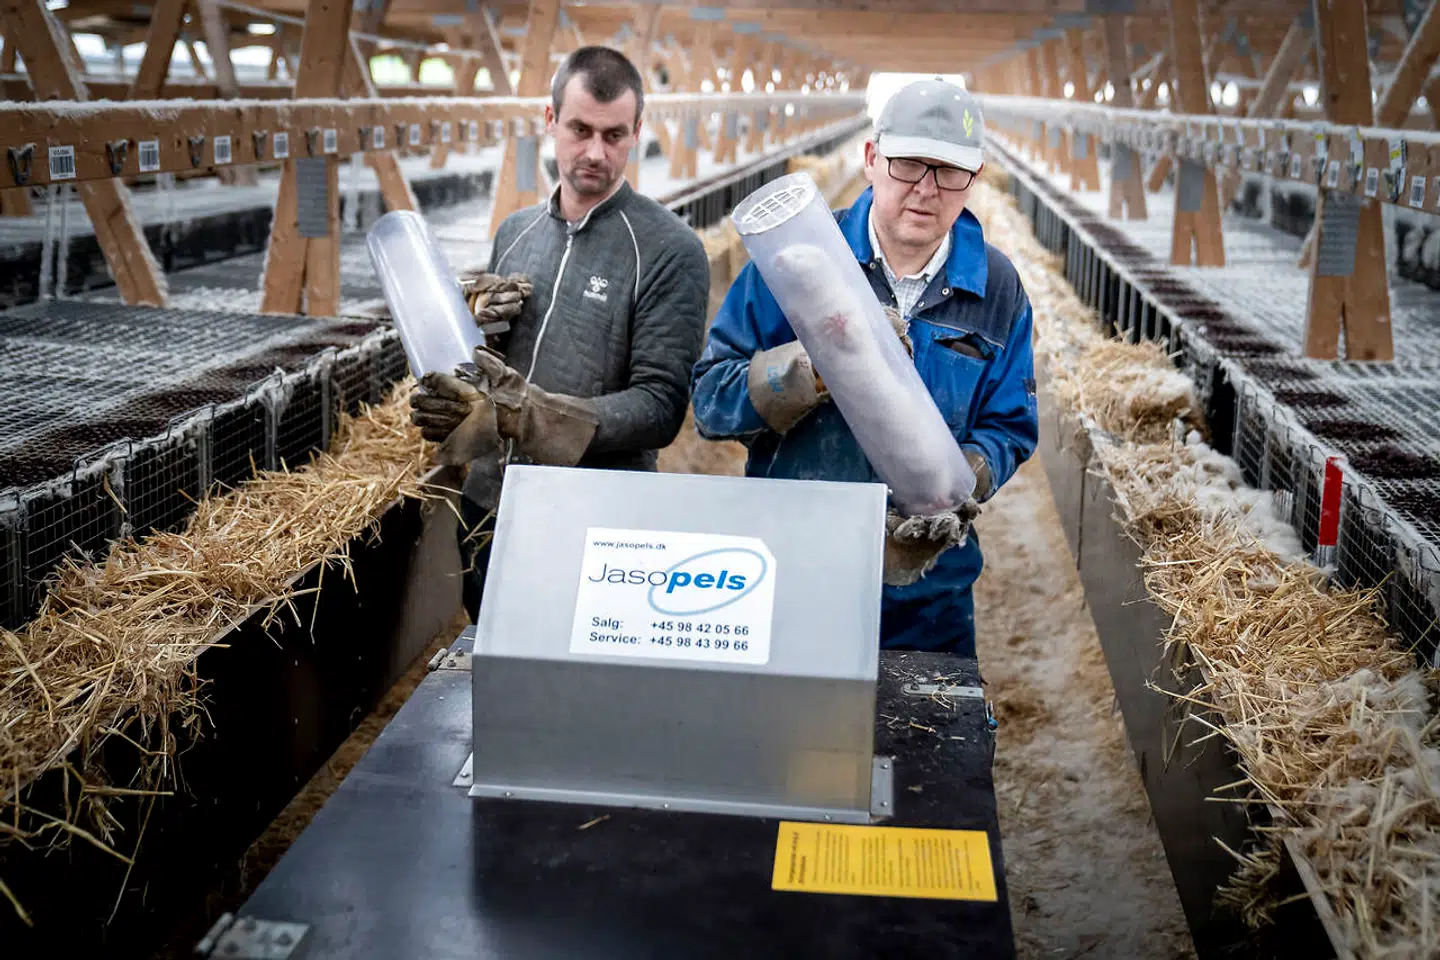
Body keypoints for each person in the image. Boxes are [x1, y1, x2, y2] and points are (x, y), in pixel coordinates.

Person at [690, 79, 1038, 658]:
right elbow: (710, 400)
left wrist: (957, 485)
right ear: (872, 158)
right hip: (792, 573)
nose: (926, 191)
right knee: (792, 745)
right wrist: (811, 369)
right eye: (908, 166)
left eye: (949, 172)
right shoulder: (794, 266)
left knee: (926, 741)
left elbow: (1010, 426)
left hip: (927, 593)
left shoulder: (996, 288)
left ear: (975, 180)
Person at [410, 46, 710, 620]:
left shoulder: (668, 249)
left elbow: (660, 407)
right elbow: (484, 378)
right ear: (550, 122)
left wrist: (531, 416)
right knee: (495, 670)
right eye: (579, 130)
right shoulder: (517, 233)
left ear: (638, 132)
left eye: (615, 135)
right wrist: (468, 337)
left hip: (596, 521)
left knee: (575, 693)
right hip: (490, 507)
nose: (596, 152)